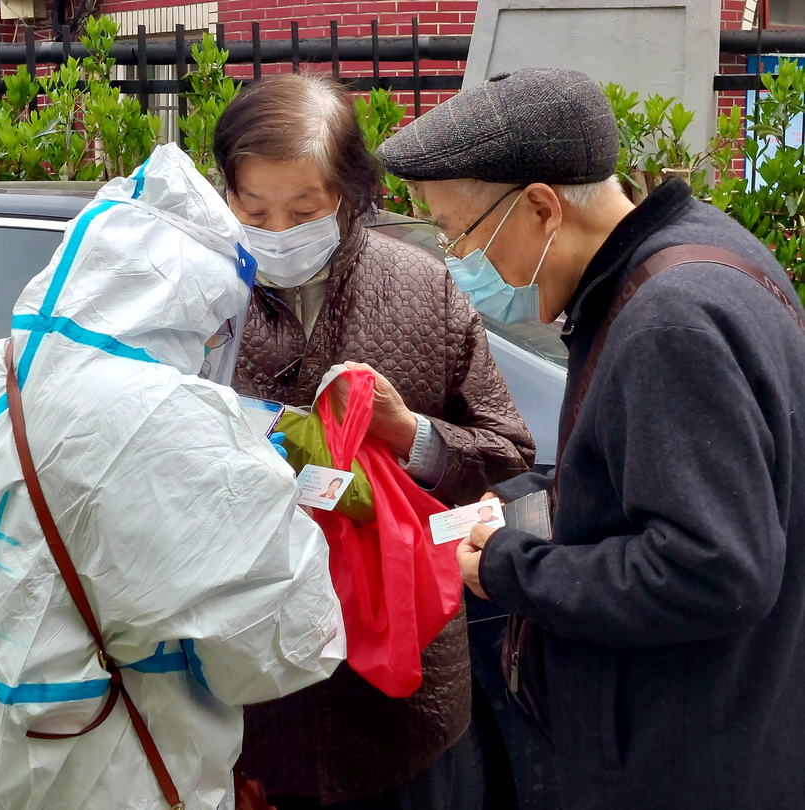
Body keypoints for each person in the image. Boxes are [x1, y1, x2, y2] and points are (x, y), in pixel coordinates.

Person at [378, 67, 805, 810]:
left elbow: (715, 572)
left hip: (680, 763)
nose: (458, 263)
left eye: (458, 233)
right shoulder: (699, 253)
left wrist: (513, 568)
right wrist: (532, 512)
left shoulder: (669, 322)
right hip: (729, 727)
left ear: (542, 208)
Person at [212, 73, 536, 809]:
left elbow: (509, 456)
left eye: (303, 210)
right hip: (251, 704)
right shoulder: (195, 302)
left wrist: (411, 434)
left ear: (351, 198)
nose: (278, 231)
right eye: (253, 209)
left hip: (406, 705)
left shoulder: (426, 290)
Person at [0, 144, 344, 810]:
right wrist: (271, 491)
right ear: (192, 297)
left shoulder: (4, 373)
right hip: (115, 762)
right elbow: (284, 647)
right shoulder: (175, 424)